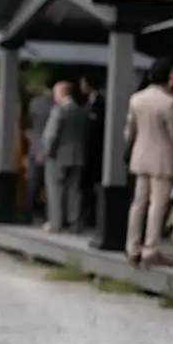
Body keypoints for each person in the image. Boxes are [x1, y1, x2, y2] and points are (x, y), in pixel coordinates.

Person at [124, 59, 173, 267]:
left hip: (140, 155)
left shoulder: (136, 99)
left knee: (138, 203)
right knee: (157, 204)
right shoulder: (169, 103)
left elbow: (129, 132)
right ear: (169, 78)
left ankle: (132, 247)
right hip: (163, 158)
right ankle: (150, 249)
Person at [41, 80, 89, 233]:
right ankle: (74, 222)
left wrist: (46, 152)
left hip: (58, 155)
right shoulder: (81, 111)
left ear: (61, 93)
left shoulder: (59, 110)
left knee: (54, 188)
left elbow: (51, 134)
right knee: (74, 189)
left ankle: (56, 222)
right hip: (78, 154)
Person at [24, 83, 55, 222]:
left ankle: (28, 212)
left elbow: (30, 125)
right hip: (52, 150)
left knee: (33, 182)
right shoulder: (55, 105)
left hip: (35, 146)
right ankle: (48, 214)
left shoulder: (35, 104)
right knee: (49, 185)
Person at [81, 76, 106, 227]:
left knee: (92, 183)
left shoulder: (99, 103)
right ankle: (88, 215)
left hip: (95, 151)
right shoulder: (88, 102)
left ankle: (92, 216)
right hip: (88, 150)